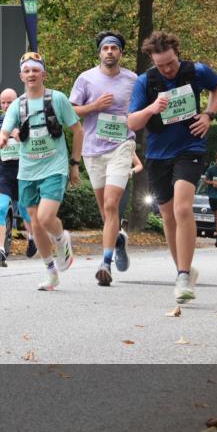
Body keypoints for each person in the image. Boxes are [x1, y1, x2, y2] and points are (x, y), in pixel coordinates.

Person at [128, 31, 217, 308]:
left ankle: (183, 276)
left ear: (176, 54)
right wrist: (152, 108)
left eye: (170, 63)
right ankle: (183, 269)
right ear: (153, 61)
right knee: (168, 215)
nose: (167, 69)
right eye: (161, 65)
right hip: (158, 155)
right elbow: (133, 123)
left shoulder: (195, 71)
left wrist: (209, 114)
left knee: (183, 209)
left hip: (189, 149)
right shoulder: (144, 82)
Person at [0, 51, 83, 291]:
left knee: (45, 218)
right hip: (27, 172)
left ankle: (62, 239)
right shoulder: (17, 105)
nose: (31, 74)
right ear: (21, 75)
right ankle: (51, 272)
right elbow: (3, 131)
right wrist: (2, 138)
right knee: (34, 224)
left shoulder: (58, 99)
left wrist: (74, 165)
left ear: (43, 73)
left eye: (36, 70)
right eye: (27, 70)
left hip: (54, 167)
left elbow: (78, 130)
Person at [70, 30, 138, 286]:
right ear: (99, 52)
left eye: (114, 48)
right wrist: (94, 107)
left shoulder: (133, 79)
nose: (110, 52)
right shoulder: (86, 79)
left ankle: (105, 263)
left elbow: (142, 108)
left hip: (122, 145)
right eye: (105, 48)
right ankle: (118, 240)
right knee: (105, 213)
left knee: (111, 206)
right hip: (93, 150)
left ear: (121, 52)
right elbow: (71, 111)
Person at [0, 87, 35, 267]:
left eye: (10, 102)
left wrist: (20, 134)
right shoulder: (0, 120)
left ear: (17, 103)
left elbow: (35, 143)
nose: (6, 106)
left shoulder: (28, 119)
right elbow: (1, 140)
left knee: (23, 210)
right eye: (3, 102)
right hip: (3, 171)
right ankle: (0, 250)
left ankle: (32, 237)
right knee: (1, 208)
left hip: (23, 170)